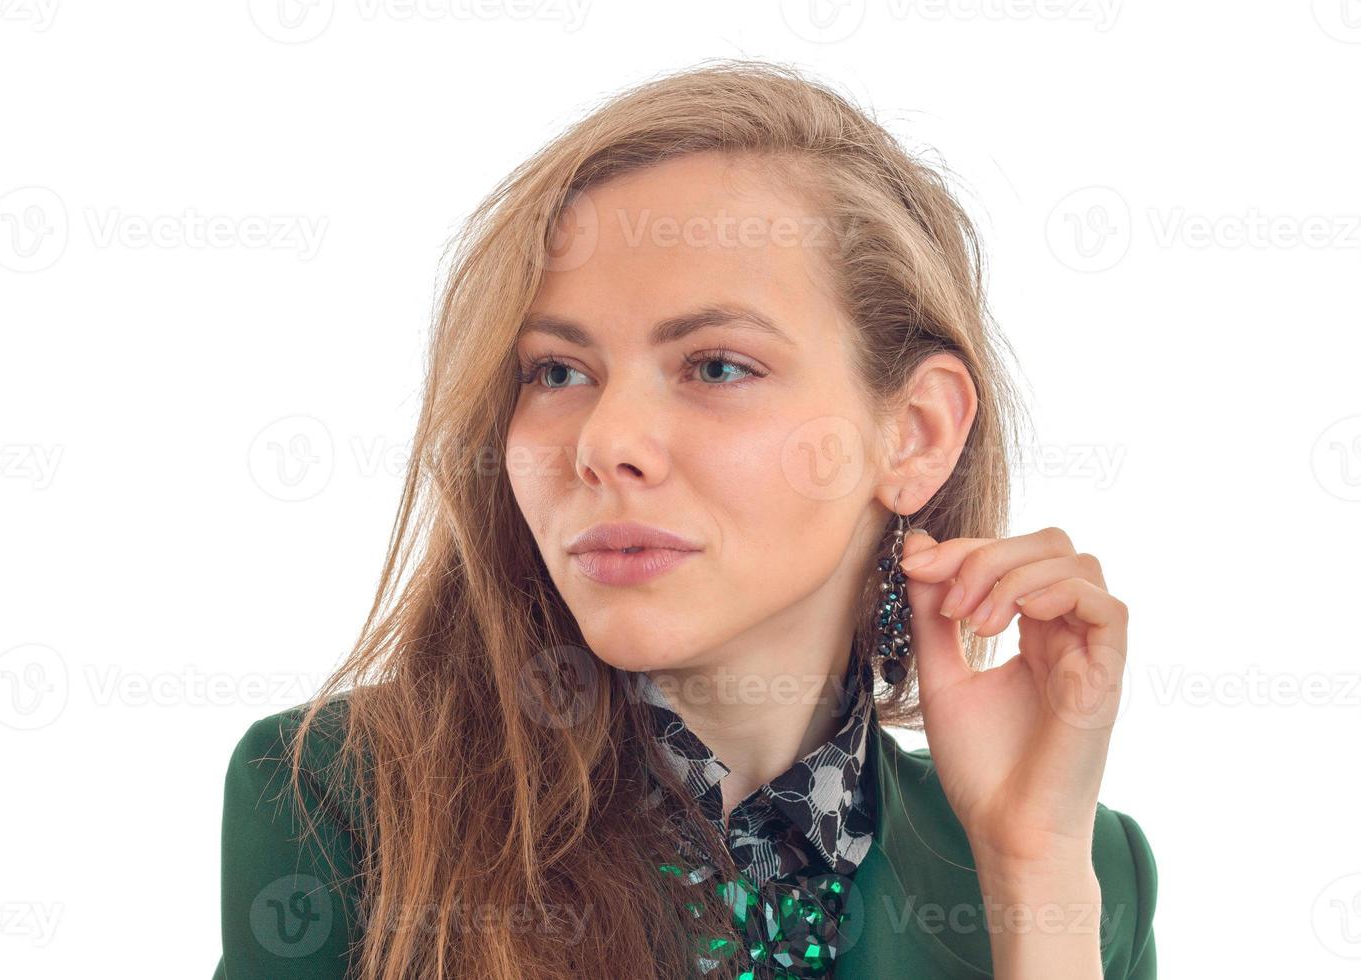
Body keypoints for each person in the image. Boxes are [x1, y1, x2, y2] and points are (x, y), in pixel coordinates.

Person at [213, 59, 1157, 979]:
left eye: (715, 366)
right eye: (556, 372)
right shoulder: (340, 804)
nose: (603, 441)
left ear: (914, 434)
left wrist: (1033, 870)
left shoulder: (1084, 867)